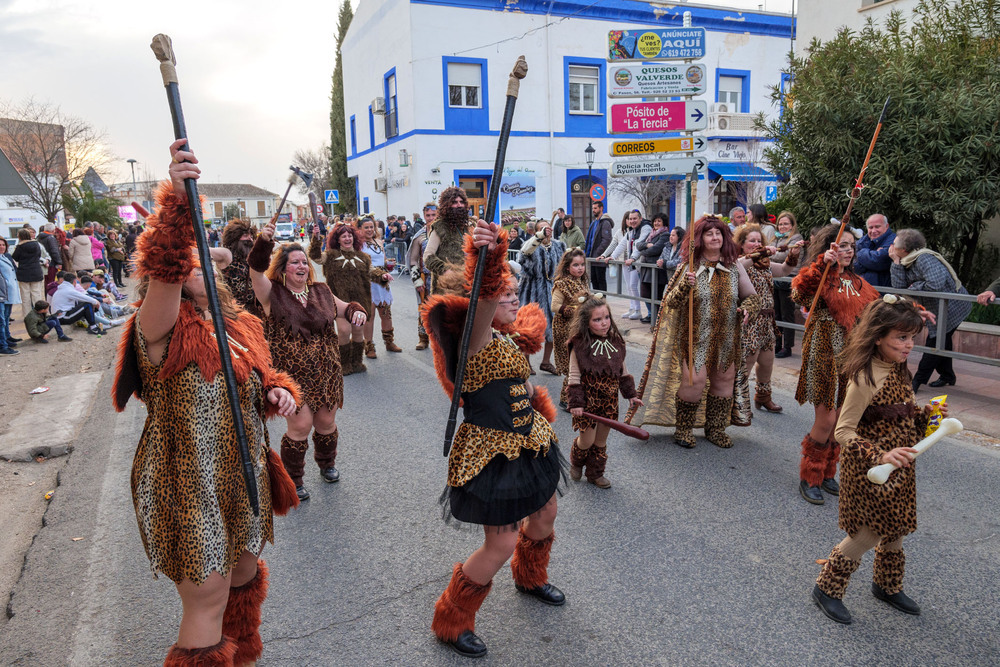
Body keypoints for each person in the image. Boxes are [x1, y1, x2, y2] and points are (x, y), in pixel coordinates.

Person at [111, 139, 301, 665]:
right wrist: (177, 199)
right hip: (186, 478)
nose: (196, 265)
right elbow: (169, 265)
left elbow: (266, 378)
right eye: (185, 261)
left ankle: (239, 655)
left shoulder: (238, 324)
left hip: (241, 470)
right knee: (209, 594)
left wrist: (278, 392)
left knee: (242, 576)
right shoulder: (160, 326)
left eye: (203, 261)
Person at [423, 221, 564, 659]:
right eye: (503, 293)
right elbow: (483, 301)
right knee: (500, 542)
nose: (512, 296)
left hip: (530, 442)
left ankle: (531, 576)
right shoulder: (474, 341)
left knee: (545, 515)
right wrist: (488, 256)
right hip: (491, 455)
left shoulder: (506, 337)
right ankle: (452, 618)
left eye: (513, 291)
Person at [812, 296, 946, 625]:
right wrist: (880, 455)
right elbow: (843, 431)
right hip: (870, 469)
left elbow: (899, 414)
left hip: (899, 466)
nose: (909, 345)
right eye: (901, 338)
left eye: (912, 337)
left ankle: (886, 585)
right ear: (878, 337)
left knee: (896, 527)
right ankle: (827, 588)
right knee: (868, 533)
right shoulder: (864, 378)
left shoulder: (899, 368)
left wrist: (926, 415)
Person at [249, 220, 367, 501]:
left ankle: (327, 464)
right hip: (291, 375)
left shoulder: (321, 291)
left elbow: (346, 308)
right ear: (282, 268)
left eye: (304, 262)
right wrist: (263, 241)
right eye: (294, 263)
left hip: (326, 371)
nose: (302, 266)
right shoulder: (270, 293)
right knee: (300, 426)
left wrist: (356, 312)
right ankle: (294, 478)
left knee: (326, 422)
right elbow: (255, 269)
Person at [626, 216, 761, 449]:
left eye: (718, 233)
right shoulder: (689, 266)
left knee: (725, 380)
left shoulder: (733, 265)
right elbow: (670, 303)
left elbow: (752, 297)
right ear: (700, 238)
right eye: (709, 234)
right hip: (696, 337)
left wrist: (749, 309)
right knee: (694, 382)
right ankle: (684, 428)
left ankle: (715, 428)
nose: (715, 237)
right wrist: (682, 286)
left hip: (727, 337)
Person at [791, 224, 883, 505]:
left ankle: (828, 473)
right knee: (827, 418)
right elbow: (799, 294)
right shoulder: (820, 277)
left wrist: (913, 310)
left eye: (851, 246)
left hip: (850, 355)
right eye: (842, 245)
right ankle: (810, 476)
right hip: (822, 349)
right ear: (828, 247)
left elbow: (879, 309)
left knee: (843, 417)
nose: (848, 250)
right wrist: (822, 264)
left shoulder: (858, 282)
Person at [566, 295, 642, 489]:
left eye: (606, 317)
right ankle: (577, 460)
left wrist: (632, 395)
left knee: (600, 442)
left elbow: (623, 373)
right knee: (587, 440)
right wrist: (576, 404)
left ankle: (595, 473)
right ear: (587, 322)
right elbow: (574, 376)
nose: (604, 323)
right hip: (587, 405)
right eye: (597, 320)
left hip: (608, 403)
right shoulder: (579, 345)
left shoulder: (616, 342)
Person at [889, 229, 973, 392]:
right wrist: (896, 263)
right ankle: (948, 375)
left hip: (952, 307)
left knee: (935, 342)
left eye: (894, 244)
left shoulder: (924, 258)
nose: (891, 246)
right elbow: (899, 288)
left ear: (904, 249)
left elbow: (935, 284)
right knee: (943, 339)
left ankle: (916, 382)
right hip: (936, 308)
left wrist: (913, 287)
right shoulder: (904, 261)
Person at [735, 224, 802, 413]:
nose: (756, 244)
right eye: (752, 241)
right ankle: (736, 401)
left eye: (759, 241)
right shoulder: (738, 261)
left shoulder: (764, 263)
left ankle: (763, 397)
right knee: (747, 362)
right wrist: (759, 254)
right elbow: (739, 266)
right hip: (748, 320)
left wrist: (793, 254)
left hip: (766, 321)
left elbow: (783, 270)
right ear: (741, 244)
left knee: (767, 360)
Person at [310, 223, 372, 374]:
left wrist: (383, 276)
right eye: (343, 236)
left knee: (358, 331)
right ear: (337, 239)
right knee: (344, 331)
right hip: (338, 301)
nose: (347, 238)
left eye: (350, 235)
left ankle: (357, 362)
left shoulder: (363, 257)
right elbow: (315, 257)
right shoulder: (330, 256)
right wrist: (316, 239)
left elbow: (371, 273)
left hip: (359, 301)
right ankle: (344, 363)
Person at [517, 219, 565, 375]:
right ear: (536, 232)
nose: (546, 230)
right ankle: (526, 362)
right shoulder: (531, 246)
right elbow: (523, 255)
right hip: (532, 291)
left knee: (553, 328)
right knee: (531, 328)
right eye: (542, 228)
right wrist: (538, 238)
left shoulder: (559, 246)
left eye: (548, 228)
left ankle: (546, 362)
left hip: (552, 291)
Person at [358, 216, 402, 357]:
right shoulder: (358, 245)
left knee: (386, 315)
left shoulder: (378, 242)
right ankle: (369, 347)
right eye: (366, 227)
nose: (370, 230)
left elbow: (382, 261)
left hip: (382, 283)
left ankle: (389, 342)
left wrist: (388, 264)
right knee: (369, 317)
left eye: (372, 227)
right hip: (367, 283)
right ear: (360, 229)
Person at [551, 248, 589, 408]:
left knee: (582, 362)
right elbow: (554, 306)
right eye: (576, 265)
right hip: (565, 329)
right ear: (567, 267)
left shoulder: (582, 282)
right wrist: (576, 310)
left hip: (580, 327)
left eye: (582, 265)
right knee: (573, 365)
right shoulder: (561, 284)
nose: (580, 268)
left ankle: (574, 397)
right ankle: (567, 399)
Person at [603, 209, 651, 320]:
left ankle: (642, 311)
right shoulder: (631, 231)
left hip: (640, 263)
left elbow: (639, 244)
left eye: (635, 218)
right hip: (633, 263)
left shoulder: (645, 228)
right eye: (630, 219)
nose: (632, 221)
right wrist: (612, 256)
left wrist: (632, 258)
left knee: (641, 289)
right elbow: (622, 244)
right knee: (631, 286)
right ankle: (634, 308)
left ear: (640, 218)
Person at [424, 186, 471, 295]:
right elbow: (428, 256)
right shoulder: (440, 227)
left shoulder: (469, 226)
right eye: (454, 202)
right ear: (447, 205)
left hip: (468, 286)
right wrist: (445, 270)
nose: (459, 205)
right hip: (445, 288)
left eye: (461, 202)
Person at [771, 211, 804, 358]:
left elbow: (783, 256)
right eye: (780, 223)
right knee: (776, 313)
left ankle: (788, 346)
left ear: (792, 225)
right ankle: (777, 342)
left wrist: (770, 254)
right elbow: (774, 254)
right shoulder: (775, 237)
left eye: (786, 224)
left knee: (787, 314)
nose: (782, 226)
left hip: (789, 278)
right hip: (775, 277)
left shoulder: (796, 238)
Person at [408, 202, 437, 350]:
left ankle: (441, 340)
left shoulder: (445, 234)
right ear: (424, 216)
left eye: (433, 215)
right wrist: (416, 279)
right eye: (428, 215)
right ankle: (423, 339)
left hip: (444, 278)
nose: (431, 218)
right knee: (424, 309)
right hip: (427, 279)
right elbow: (413, 260)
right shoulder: (419, 237)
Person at [218, 219, 261, 316]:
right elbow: (204, 252)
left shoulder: (251, 259)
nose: (249, 239)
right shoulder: (227, 255)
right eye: (245, 235)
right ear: (234, 238)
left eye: (251, 236)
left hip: (253, 313)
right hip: (232, 313)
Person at [636, 213, 670, 323]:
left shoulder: (665, 235)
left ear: (664, 222)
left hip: (657, 271)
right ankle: (652, 315)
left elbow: (656, 249)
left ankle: (657, 318)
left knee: (656, 296)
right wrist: (646, 246)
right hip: (646, 269)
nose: (656, 223)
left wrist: (643, 251)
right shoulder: (652, 234)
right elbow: (638, 244)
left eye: (659, 221)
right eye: (655, 221)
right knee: (645, 294)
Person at [50, 271, 103, 335]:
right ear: (74, 281)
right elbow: (84, 297)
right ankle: (93, 328)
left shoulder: (63, 288)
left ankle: (92, 325)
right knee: (88, 304)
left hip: (60, 316)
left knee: (86, 304)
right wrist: (96, 302)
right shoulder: (68, 290)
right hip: (63, 317)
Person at [11, 228, 45, 320]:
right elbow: (38, 256)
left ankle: (28, 316)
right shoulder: (36, 244)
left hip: (24, 273)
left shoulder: (20, 246)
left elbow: (15, 258)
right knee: (37, 295)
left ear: (20, 236)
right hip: (36, 271)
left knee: (25, 296)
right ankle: (40, 314)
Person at [854, 213, 895, 287]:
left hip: (885, 291)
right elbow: (853, 266)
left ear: (887, 226)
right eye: (870, 227)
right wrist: (873, 255)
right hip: (864, 289)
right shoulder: (863, 241)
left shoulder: (894, 240)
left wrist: (860, 253)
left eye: (877, 227)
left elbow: (879, 261)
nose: (873, 231)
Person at [584, 200, 614, 292]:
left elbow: (606, 240)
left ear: (601, 208)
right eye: (593, 208)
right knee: (593, 280)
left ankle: (602, 302)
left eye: (595, 208)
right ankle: (597, 302)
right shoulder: (594, 223)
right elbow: (590, 240)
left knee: (600, 280)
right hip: (591, 257)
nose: (593, 210)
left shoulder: (605, 222)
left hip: (599, 257)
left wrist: (598, 253)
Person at [0, 237, 21, 355]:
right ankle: (3, 345)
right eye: (0, 245)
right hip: (2, 293)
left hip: (8, 292)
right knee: (2, 320)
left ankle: (7, 338)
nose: (2, 247)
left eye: (3, 245)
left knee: (6, 317)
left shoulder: (4, 257)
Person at [655, 225, 686, 306]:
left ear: (679, 236)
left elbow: (680, 261)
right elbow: (660, 260)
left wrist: (665, 264)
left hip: (680, 279)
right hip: (670, 279)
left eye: (673, 235)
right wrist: (663, 263)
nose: (670, 237)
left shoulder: (684, 247)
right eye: (670, 235)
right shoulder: (667, 247)